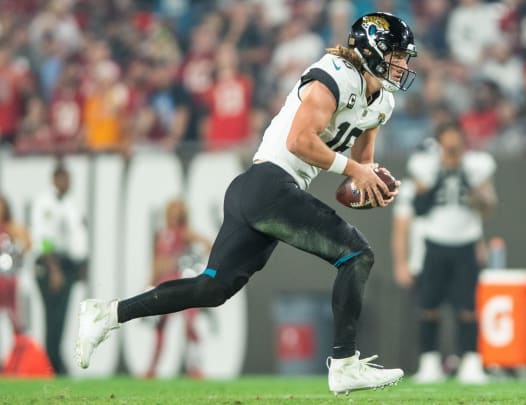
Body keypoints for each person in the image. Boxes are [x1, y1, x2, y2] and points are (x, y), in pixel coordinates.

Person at [75, 12, 417, 395]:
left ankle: (108, 313)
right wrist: (356, 169)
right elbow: (299, 142)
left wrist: (370, 181)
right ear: (371, 49)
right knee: (357, 254)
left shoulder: (381, 102)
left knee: (211, 289)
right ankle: (344, 365)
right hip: (268, 183)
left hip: (261, 192)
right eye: (397, 55)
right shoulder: (335, 73)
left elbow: (360, 165)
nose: (402, 65)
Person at [392, 122, 497, 384]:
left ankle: (471, 361)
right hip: (435, 241)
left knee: (467, 307)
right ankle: (429, 361)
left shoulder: (477, 166)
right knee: (429, 306)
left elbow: (487, 206)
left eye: (456, 142)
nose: (452, 148)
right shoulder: (424, 165)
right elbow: (420, 205)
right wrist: (441, 173)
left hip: (466, 241)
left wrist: (471, 185)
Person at [32, 162, 89, 375]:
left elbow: (78, 236)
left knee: (62, 316)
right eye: (65, 178)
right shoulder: (46, 203)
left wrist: (81, 265)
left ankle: (55, 361)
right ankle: (52, 362)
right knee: (53, 316)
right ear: (55, 178)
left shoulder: (70, 203)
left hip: (68, 265)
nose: (68, 182)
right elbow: (44, 238)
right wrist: (54, 270)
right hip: (50, 265)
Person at [145, 199, 212, 379]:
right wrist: (149, 284)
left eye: (178, 213)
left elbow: (208, 243)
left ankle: (195, 366)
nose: (174, 216)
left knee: (190, 324)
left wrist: (194, 262)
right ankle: (152, 368)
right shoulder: (160, 234)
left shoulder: (184, 232)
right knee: (160, 326)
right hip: (163, 284)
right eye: (172, 212)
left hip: (182, 283)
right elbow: (156, 262)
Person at [0, 194, 32, 336]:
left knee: (16, 321)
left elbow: (27, 243)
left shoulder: (12, 228)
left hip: (11, 282)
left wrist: (18, 252)